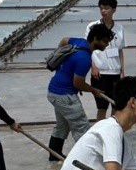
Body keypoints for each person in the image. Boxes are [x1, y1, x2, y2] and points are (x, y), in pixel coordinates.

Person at [48, 24, 112, 160]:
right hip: (65, 96)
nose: (106, 45)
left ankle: (54, 158)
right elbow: (78, 83)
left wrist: (60, 56)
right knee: (82, 129)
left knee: (62, 126)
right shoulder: (85, 59)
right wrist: (93, 90)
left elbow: (64, 40)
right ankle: (88, 161)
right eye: (105, 41)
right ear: (95, 39)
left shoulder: (78, 42)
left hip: (54, 91)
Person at [88, 0, 125, 122]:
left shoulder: (119, 28)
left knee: (116, 105)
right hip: (100, 73)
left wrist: (122, 71)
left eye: (107, 8)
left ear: (114, 10)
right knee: (102, 107)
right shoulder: (93, 26)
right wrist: (94, 66)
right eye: (101, 8)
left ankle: (113, 130)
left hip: (115, 73)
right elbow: (89, 48)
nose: (103, 11)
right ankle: (100, 133)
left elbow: (120, 51)